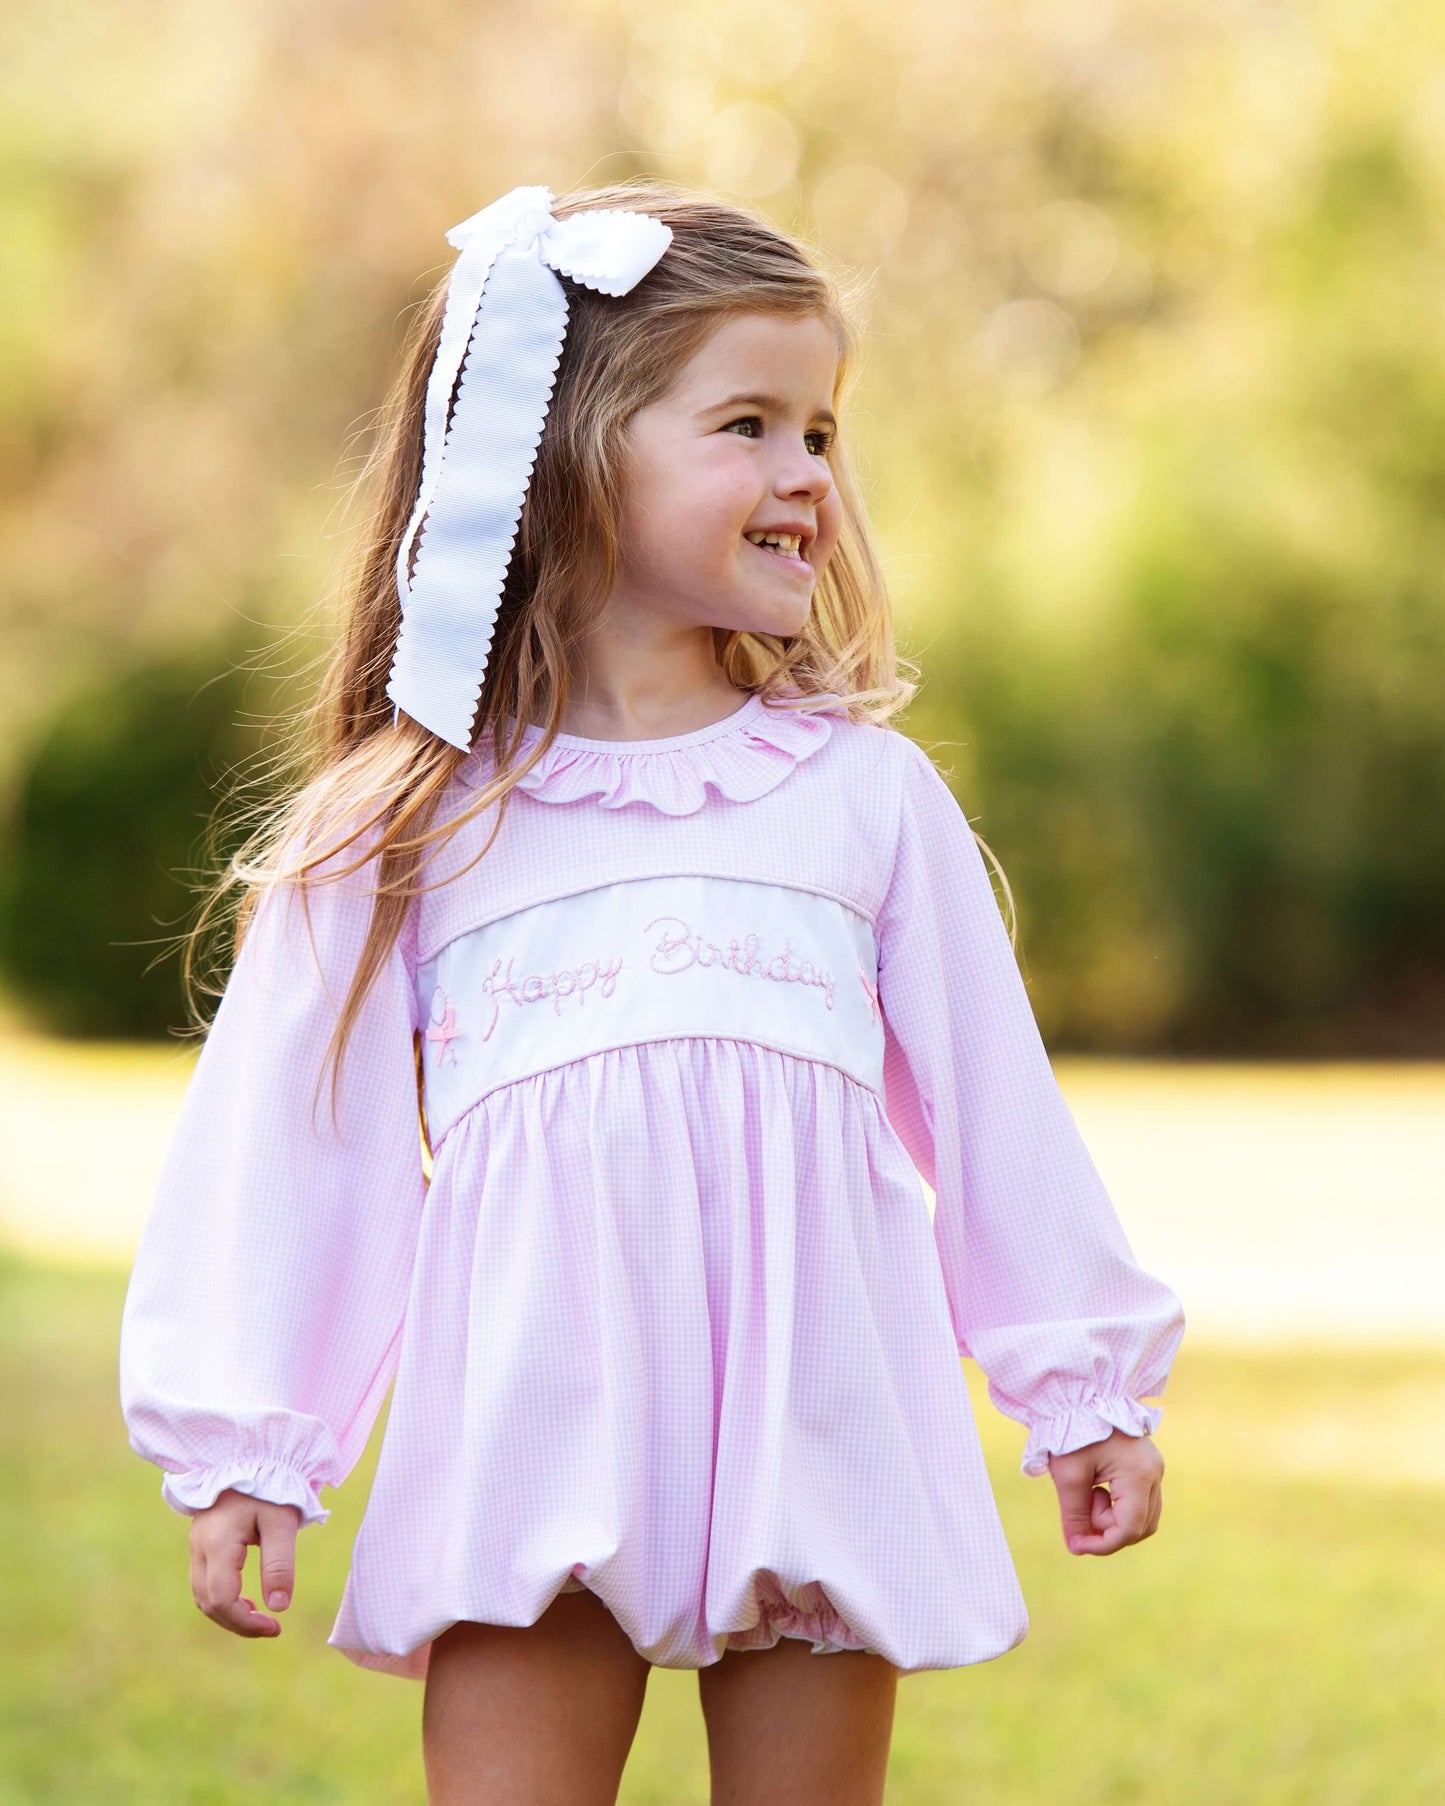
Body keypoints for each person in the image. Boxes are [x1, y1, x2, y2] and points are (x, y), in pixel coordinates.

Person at [118, 179, 1185, 1806]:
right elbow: (290, 1144)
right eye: (747, 424)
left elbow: (995, 1114)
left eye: (820, 431)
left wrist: (1080, 1381)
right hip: (531, 1441)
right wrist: (252, 1435)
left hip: (817, 1431)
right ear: (567, 453)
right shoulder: (410, 824)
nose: (806, 474)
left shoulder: (865, 798)